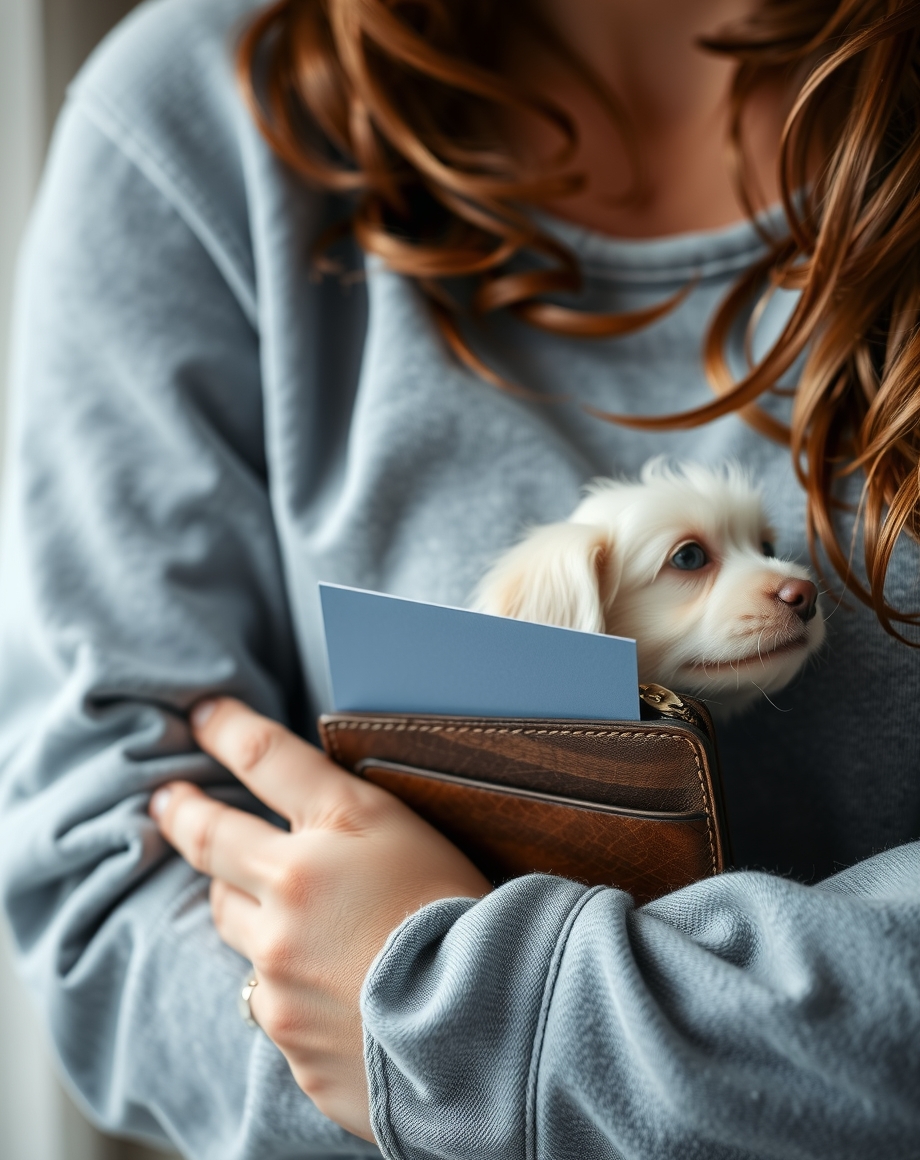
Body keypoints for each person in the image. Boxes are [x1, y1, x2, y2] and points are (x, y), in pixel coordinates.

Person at [0, 0, 918, 1155]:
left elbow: (418, 1021)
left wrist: (473, 1028)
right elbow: (110, 890)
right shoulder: (194, 119)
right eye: (687, 559)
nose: (784, 583)